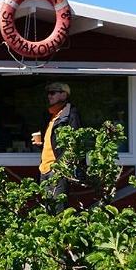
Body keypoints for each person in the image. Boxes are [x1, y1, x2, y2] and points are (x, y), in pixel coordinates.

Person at [33, 82, 81, 213]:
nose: (49, 96)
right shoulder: (53, 115)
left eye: (53, 92)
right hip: (45, 169)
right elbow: (54, 143)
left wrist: (61, 167)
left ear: (64, 95)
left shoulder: (70, 114)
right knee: (48, 209)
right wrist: (41, 145)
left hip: (57, 169)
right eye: (49, 93)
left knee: (58, 210)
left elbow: (73, 142)